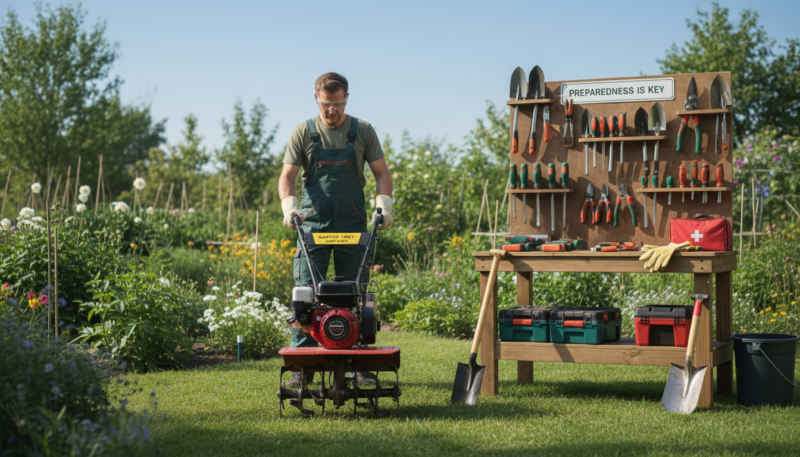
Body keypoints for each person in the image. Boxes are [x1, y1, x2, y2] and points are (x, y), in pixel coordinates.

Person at [279, 72, 393, 387]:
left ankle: (359, 364)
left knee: (356, 294)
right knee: (305, 295)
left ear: (346, 98)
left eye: (339, 103)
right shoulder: (303, 132)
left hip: (352, 224)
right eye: (327, 105)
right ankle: (303, 367)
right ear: (317, 99)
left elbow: (382, 173)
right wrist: (290, 208)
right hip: (312, 225)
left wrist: (384, 206)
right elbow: (287, 177)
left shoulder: (363, 131)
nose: (333, 110)